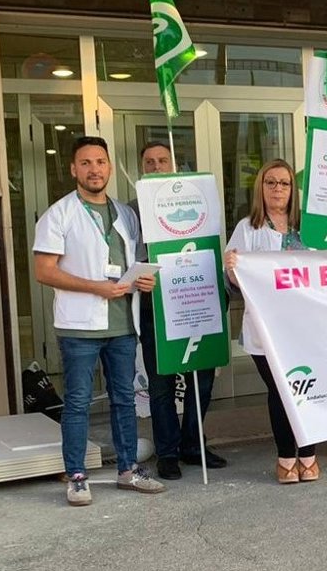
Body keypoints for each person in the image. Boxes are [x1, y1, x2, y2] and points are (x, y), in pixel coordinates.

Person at [33, 135, 165, 506]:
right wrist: (95, 287)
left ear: (109, 167)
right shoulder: (58, 214)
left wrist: (144, 280)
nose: (95, 169)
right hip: (79, 327)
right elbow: (44, 271)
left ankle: (128, 470)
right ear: (74, 169)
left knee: (124, 399)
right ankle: (76, 476)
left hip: (122, 324)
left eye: (101, 162)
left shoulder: (125, 214)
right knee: (77, 402)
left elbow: (132, 262)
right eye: (86, 163)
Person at [133, 141, 226, 480]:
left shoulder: (197, 202)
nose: (156, 167)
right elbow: (127, 258)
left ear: (173, 164)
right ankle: (168, 452)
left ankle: (193, 445)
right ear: (143, 167)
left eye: (162, 160)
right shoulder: (133, 210)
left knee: (201, 382)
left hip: (196, 301)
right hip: (155, 307)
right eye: (149, 162)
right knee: (161, 387)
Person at [223, 159, 320, 484]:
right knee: (280, 390)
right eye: (271, 182)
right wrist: (232, 268)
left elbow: (325, 270)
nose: (278, 188)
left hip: (304, 327)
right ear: (260, 188)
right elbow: (235, 280)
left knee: (304, 388)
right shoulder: (248, 228)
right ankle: (286, 458)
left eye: (284, 183)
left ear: (293, 190)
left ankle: (308, 455)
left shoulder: (309, 228)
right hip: (264, 329)